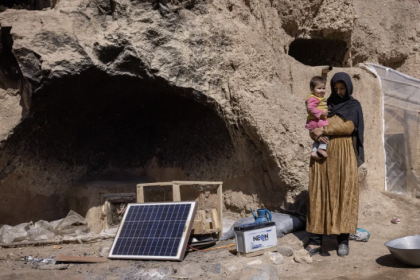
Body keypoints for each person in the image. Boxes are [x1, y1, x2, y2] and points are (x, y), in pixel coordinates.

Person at [305, 72, 365, 257]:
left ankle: (343, 240)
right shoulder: (324, 103)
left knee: (343, 193)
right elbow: (312, 123)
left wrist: (325, 129)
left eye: (342, 88)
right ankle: (315, 241)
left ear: (348, 88)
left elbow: (349, 127)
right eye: (336, 88)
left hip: (344, 154)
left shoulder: (353, 106)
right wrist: (315, 133)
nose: (339, 92)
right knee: (319, 193)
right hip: (322, 156)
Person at [305, 76, 329, 160]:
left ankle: (314, 151)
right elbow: (310, 108)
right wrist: (322, 113)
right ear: (312, 89)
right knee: (325, 133)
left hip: (315, 121)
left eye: (323, 88)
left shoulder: (317, 97)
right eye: (319, 88)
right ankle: (322, 148)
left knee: (317, 138)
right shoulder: (313, 98)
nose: (322, 90)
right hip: (317, 121)